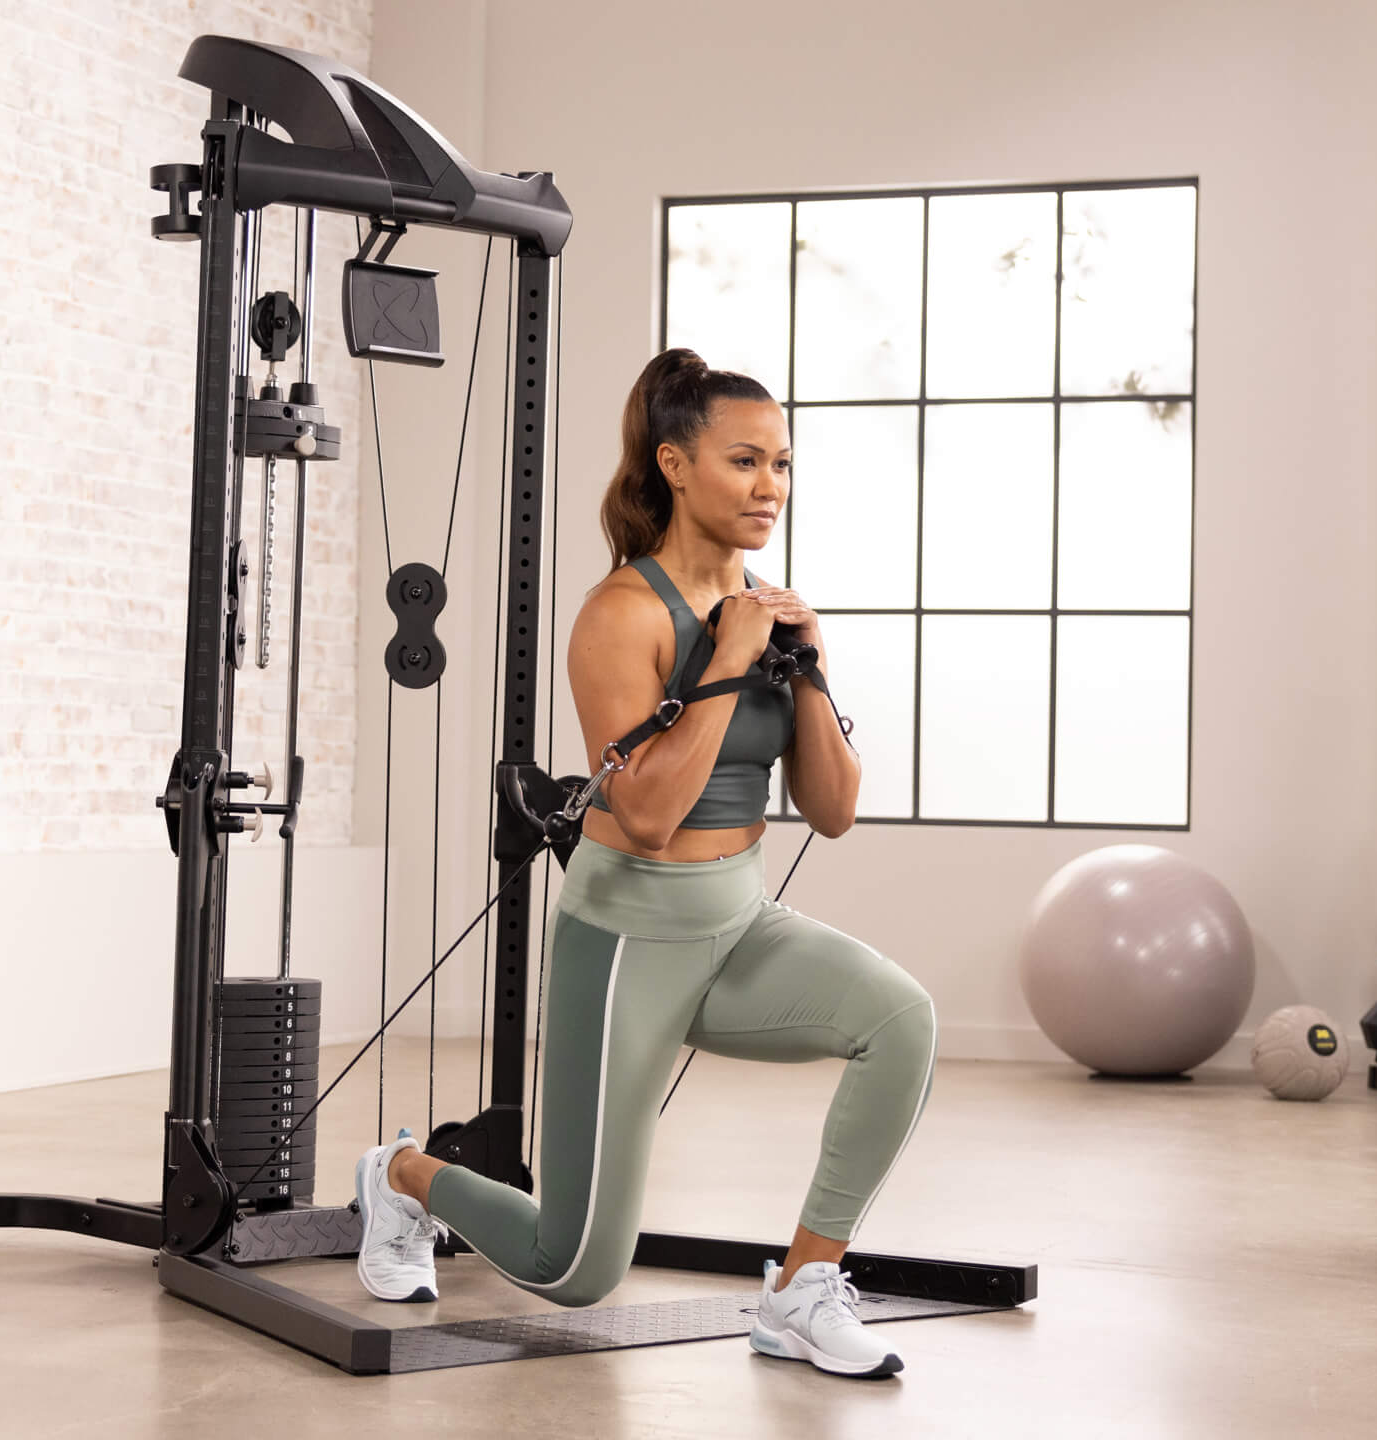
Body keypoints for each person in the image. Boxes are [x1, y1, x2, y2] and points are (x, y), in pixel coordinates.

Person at [350, 348, 938, 1379]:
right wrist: (724, 661)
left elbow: (833, 813)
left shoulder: (770, 614)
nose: (771, 489)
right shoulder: (621, 614)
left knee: (902, 1020)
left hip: (739, 922)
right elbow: (653, 816)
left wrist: (806, 668)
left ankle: (803, 1289)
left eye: (783, 465)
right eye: (744, 462)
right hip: (626, 940)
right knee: (571, 1264)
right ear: (674, 463)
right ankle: (401, 1174)